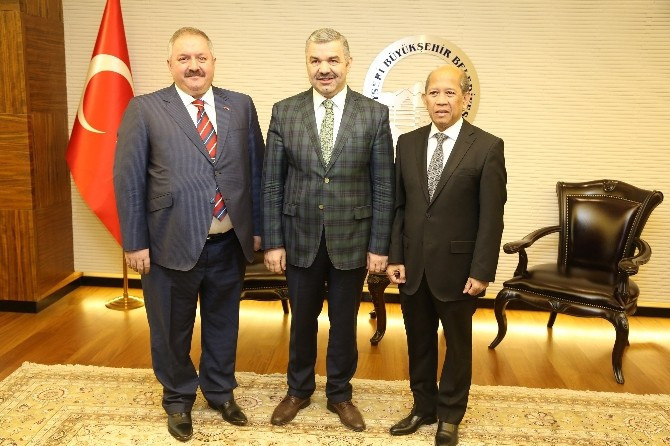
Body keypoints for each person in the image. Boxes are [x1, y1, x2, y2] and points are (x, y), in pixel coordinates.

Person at [113, 27, 264, 442]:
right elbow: (128, 181)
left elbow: (256, 170)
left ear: (213, 62)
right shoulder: (144, 109)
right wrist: (135, 242)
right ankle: (178, 398)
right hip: (168, 243)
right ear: (170, 65)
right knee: (170, 328)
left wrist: (257, 229)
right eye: (184, 58)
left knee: (223, 323)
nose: (194, 66)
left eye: (201, 58)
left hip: (229, 241)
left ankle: (219, 392)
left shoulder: (240, 105)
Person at [262, 28, 394, 432]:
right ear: (307, 64)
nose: (324, 69)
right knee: (301, 320)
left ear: (348, 63)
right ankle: (298, 390)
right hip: (299, 237)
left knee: (344, 322)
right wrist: (273, 241)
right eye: (315, 60)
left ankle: (340, 394)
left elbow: (383, 186)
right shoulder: (285, 112)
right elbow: (272, 183)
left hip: (352, 238)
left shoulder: (374, 114)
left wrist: (379, 245)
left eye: (333, 60)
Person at [386, 65, 506, 446]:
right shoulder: (407, 144)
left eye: (450, 93)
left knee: (457, 345)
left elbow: (491, 217)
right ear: (424, 99)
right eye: (434, 93)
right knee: (418, 341)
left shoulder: (487, 147)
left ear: (465, 99)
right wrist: (395, 256)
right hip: (413, 266)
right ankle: (423, 407)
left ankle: (450, 415)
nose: (441, 101)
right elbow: (399, 207)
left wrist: (482, 270)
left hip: (459, 269)